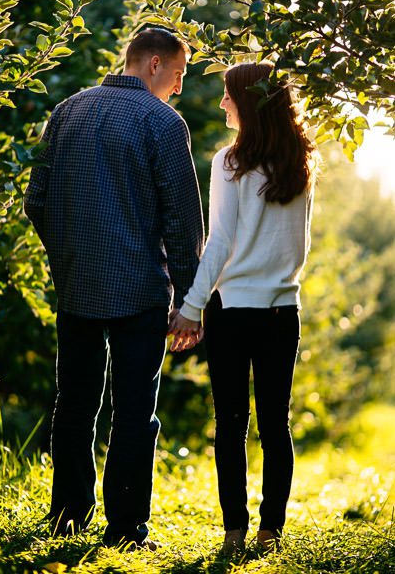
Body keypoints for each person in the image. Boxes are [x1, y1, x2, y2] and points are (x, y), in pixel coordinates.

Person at [24, 28, 205, 549]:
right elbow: (182, 221)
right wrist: (189, 298)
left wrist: (66, 256)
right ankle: (125, 530)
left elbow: (36, 201)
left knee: (74, 405)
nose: (177, 87)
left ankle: (66, 517)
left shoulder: (67, 111)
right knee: (133, 414)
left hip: (76, 285)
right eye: (178, 74)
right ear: (154, 64)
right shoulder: (163, 123)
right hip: (140, 290)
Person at [171, 62, 316, 554]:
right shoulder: (301, 163)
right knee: (276, 425)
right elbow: (299, 244)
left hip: (231, 310)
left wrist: (191, 306)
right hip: (282, 310)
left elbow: (219, 243)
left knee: (231, 425)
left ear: (248, 103)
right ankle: (271, 531)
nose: (222, 103)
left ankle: (234, 532)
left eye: (228, 95)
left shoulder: (228, 162)